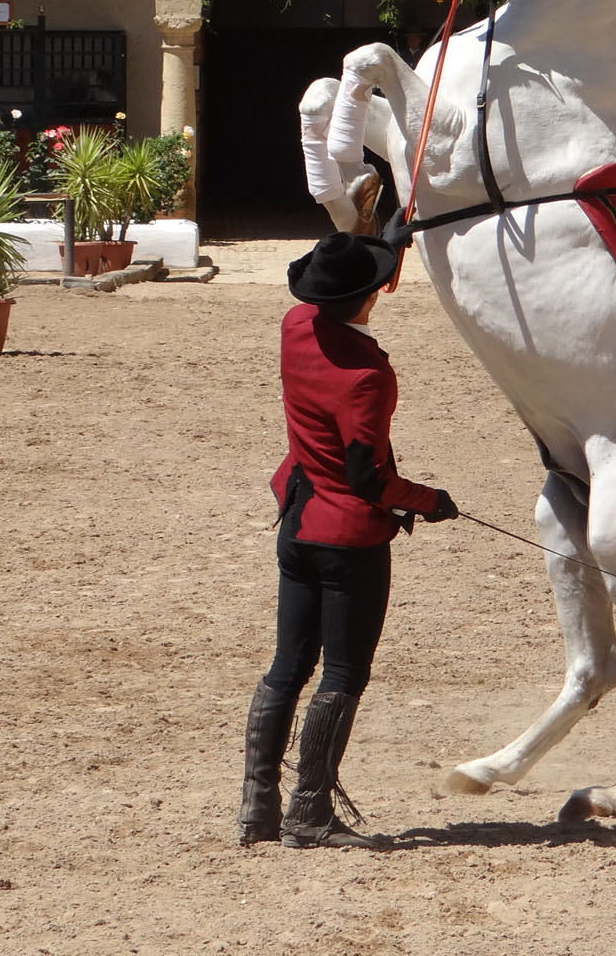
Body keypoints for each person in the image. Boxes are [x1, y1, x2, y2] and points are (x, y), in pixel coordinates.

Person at [238, 230, 459, 850]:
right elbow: (369, 476)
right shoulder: (367, 374)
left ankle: (258, 808)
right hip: (349, 539)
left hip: (299, 519)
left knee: (287, 668)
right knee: (342, 673)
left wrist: (384, 238)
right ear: (375, 294)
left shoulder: (294, 326)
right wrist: (430, 501)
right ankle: (308, 812)